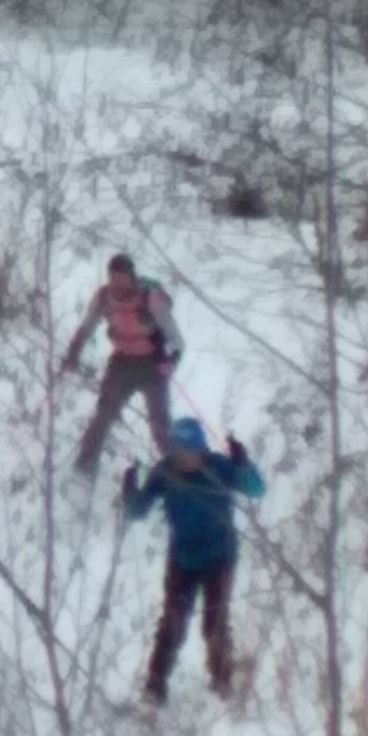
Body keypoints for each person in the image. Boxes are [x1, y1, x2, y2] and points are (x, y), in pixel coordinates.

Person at [122, 417, 267, 702]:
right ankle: (155, 686)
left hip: (219, 557)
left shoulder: (219, 467)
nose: (185, 459)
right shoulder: (165, 472)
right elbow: (137, 511)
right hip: (183, 559)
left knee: (214, 622)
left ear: (202, 450)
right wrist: (130, 490)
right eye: (179, 452)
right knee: (172, 622)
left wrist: (242, 463)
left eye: (191, 452)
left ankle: (222, 682)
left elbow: (256, 489)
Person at [60, 252, 185, 469]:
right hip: (122, 362)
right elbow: (87, 327)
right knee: (103, 415)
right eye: (113, 277)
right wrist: (73, 353)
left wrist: (170, 362)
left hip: (152, 365)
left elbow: (176, 340)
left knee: (160, 427)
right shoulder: (103, 297)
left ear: (132, 277)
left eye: (122, 277)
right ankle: (84, 467)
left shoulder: (150, 297)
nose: (117, 283)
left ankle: (180, 471)